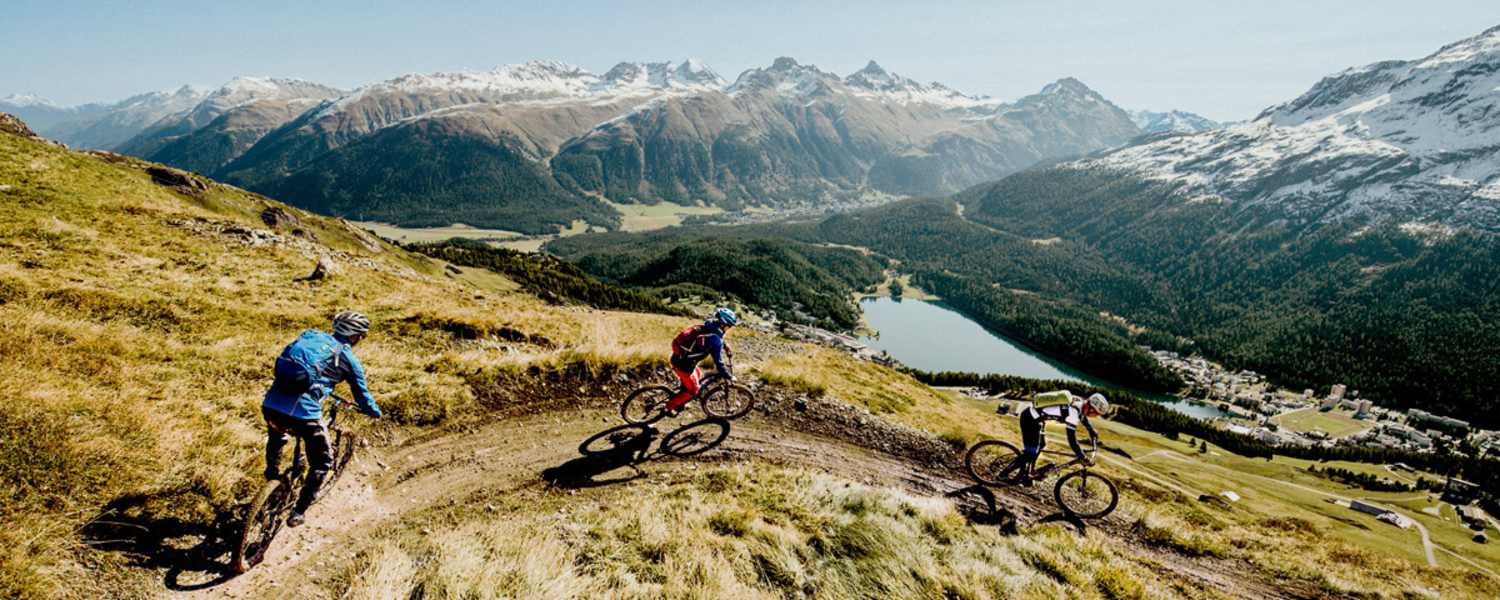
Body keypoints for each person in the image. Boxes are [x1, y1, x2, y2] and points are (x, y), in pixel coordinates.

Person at [262, 310, 382, 527]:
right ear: (356, 336)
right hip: (304, 416)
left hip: (270, 405)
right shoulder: (348, 359)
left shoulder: (309, 337)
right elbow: (362, 396)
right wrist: (374, 412)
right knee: (322, 462)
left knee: (278, 434)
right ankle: (299, 511)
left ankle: (272, 474)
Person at [1018, 391, 1108, 483]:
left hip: (1037, 419)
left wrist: (1091, 430)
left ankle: (1029, 473)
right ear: (1091, 408)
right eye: (1095, 414)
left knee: (1041, 445)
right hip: (1029, 419)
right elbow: (1072, 440)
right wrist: (1081, 456)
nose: (1094, 416)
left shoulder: (1080, 404)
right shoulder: (1073, 413)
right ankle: (1005, 474)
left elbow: (1083, 418)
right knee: (1032, 452)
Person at [664, 307, 738, 416]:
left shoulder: (708, 325)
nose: (729, 328)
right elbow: (719, 363)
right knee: (694, 391)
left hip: (678, 357)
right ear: (723, 324)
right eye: (729, 326)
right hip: (684, 367)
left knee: (698, 374)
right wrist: (728, 375)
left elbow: (716, 337)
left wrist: (725, 345)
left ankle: (682, 393)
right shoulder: (715, 340)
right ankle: (668, 407)